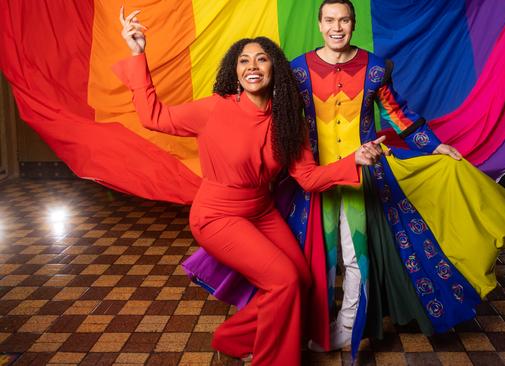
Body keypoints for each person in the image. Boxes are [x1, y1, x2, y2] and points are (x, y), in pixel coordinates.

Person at [115, 8, 387, 366]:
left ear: (275, 69)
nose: (252, 66)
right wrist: (138, 55)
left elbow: (307, 177)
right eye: (244, 60)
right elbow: (154, 117)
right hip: (216, 216)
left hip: (260, 211)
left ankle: (233, 337)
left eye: (261, 59)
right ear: (236, 71)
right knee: (285, 280)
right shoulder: (214, 109)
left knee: (302, 279)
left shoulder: (289, 121)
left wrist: (352, 160)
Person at [287, 0, 505, 355]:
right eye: (329, 20)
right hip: (317, 176)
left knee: (356, 257)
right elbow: (282, 119)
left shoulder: (374, 67)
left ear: (353, 24)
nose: (336, 27)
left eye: (343, 20)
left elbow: (396, 112)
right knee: (320, 257)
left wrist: (435, 147)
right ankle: (314, 322)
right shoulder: (297, 71)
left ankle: (348, 325)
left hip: (365, 176)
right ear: (319, 24)